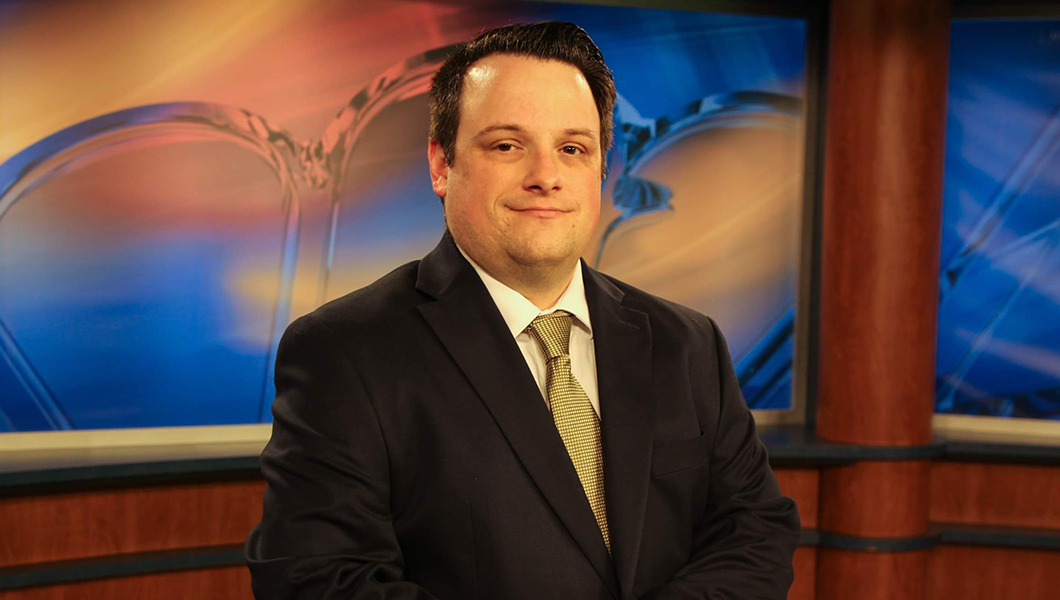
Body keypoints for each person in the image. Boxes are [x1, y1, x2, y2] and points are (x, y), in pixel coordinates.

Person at [245, 21, 800, 600]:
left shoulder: (688, 342)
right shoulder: (343, 350)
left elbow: (755, 531)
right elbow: (316, 580)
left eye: (572, 149)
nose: (546, 177)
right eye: (507, 145)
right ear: (441, 164)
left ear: (602, 168)